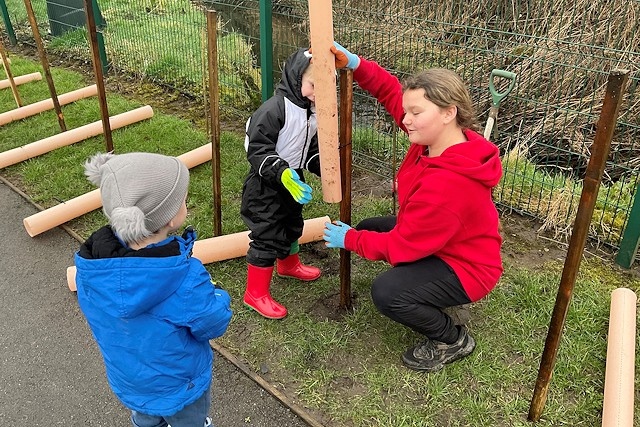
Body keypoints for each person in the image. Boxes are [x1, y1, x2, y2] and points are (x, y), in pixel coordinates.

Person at [323, 43, 503, 372]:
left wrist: (349, 241)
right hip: (445, 242)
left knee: (388, 292)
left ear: (449, 112)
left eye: (415, 113)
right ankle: (430, 291)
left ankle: (451, 338)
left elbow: (401, 246)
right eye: (407, 111)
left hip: (467, 267)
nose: (405, 119)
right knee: (370, 226)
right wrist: (357, 64)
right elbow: (393, 93)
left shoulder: (448, 185)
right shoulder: (438, 139)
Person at [74, 152, 233, 427]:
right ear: (169, 219)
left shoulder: (92, 270)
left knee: (146, 419)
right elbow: (212, 323)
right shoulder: (183, 278)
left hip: (130, 381)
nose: (185, 202)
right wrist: (220, 297)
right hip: (180, 386)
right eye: (181, 200)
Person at [241, 47, 322, 320]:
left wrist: (323, 166)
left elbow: (308, 149)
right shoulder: (275, 109)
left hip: (292, 180)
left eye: (323, 89)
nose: (316, 94)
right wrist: (282, 173)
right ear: (297, 78)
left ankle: (289, 265)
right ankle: (255, 293)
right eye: (313, 86)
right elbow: (257, 149)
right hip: (266, 184)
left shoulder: (312, 110)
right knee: (267, 233)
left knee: (291, 224)